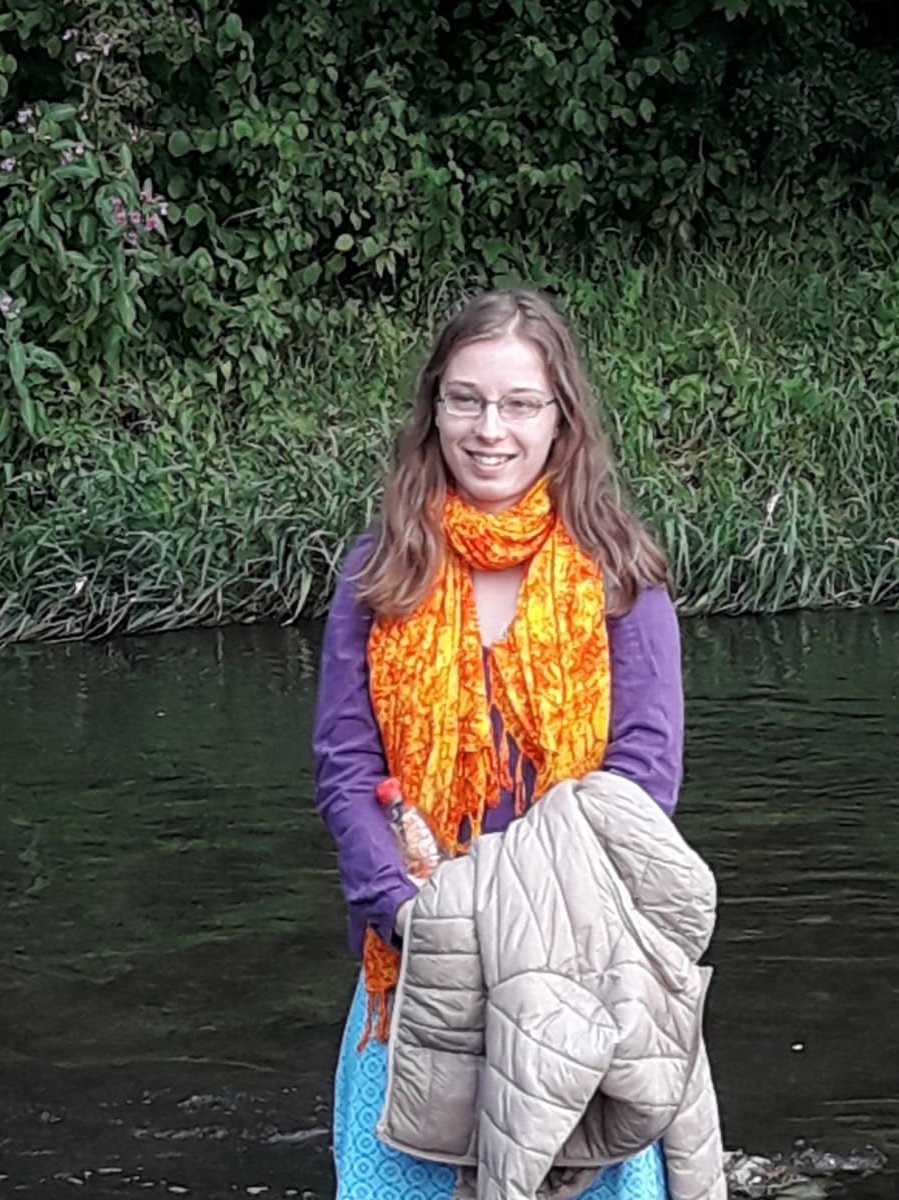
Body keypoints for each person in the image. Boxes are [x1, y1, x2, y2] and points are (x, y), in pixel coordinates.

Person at [311, 289, 684, 1200]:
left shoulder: (621, 578)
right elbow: (347, 766)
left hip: (577, 976)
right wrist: (407, 911)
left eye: (520, 404)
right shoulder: (377, 571)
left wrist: (531, 919)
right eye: (467, 400)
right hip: (416, 970)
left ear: (562, 418)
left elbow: (642, 782)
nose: (490, 430)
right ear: (433, 409)